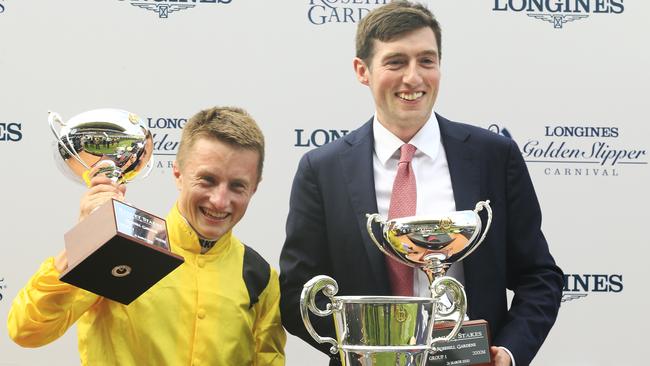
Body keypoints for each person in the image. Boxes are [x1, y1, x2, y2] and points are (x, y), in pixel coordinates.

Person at [279, 2, 563, 366]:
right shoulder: (322, 170)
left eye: (426, 61)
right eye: (396, 62)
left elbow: (539, 277)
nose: (413, 78)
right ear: (362, 71)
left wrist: (508, 352)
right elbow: (297, 293)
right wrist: (365, 350)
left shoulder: (495, 156)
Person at [8, 106, 286, 365]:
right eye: (207, 180)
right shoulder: (122, 244)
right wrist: (88, 238)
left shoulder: (260, 276)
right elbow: (27, 330)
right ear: (177, 173)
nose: (219, 200)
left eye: (237, 186)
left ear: (254, 189)